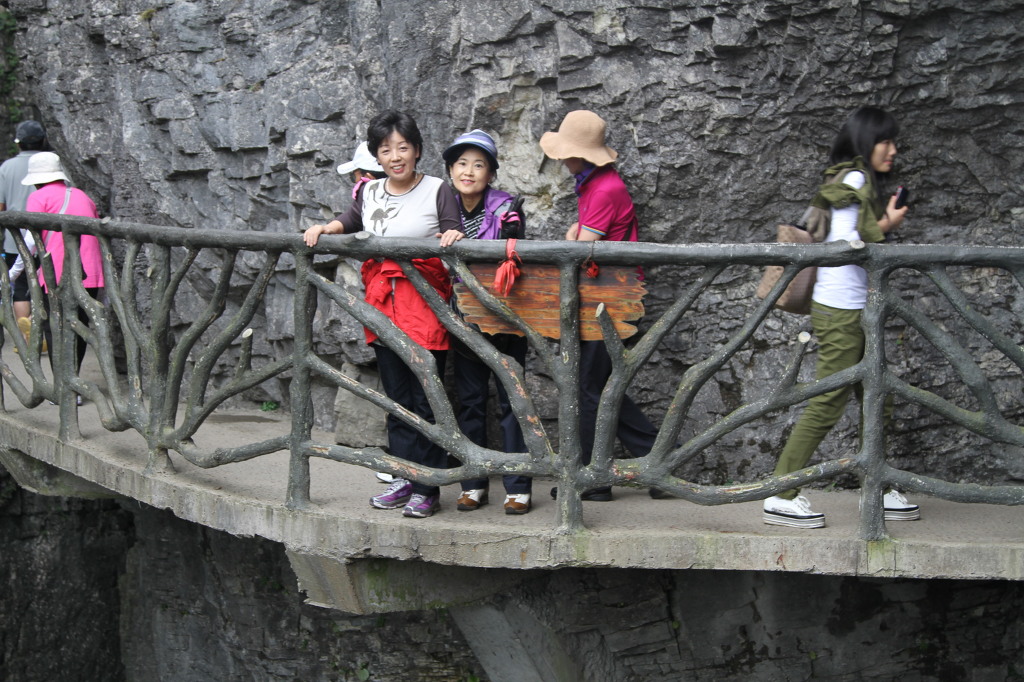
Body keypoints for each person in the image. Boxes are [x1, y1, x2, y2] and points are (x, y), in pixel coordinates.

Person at [762, 106, 918, 528]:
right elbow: (847, 243)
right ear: (867, 141)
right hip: (841, 310)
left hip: (853, 308)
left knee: (877, 397)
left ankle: (877, 486)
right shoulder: (854, 180)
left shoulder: (851, 178)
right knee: (828, 401)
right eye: (886, 141)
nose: (893, 150)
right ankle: (780, 493)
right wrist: (888, 223)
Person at [304, 110, 461, 519]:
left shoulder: (437, 189)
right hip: (383, 307)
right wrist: (325, 228)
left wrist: (453, 235)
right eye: (386, 150)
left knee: (427, 399)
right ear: (377, 156)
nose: (395, 157)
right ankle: (404, 478)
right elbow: (351, 220)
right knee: (398, 399)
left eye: (402, 148)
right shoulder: (370, 191)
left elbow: (452, 229)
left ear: (417, 150)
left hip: (424, 306)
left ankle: (428, 486)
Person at [539, 110, 663, 502]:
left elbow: (579, 248)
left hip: (609, 301)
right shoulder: (595, 184)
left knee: (591, 388)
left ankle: (594, 479)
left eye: (566, 152)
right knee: (599, 388)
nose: (562, 159)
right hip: (603, 297)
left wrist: (572, 237)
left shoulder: (604, 188)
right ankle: (658, 463)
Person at [437, 129, 533, 514]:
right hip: (463, 318)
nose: (469, 171)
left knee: (513, 402)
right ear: (450, 170)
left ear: (491, 174)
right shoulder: (441, 206)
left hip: (506, 317)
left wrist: (512, 231)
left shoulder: (506, 208)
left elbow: (515, 246)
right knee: (471, 401)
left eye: (479, 165)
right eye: (461, 163)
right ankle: (473, 483)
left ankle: (518, 486)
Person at [336, 140, 396, 485]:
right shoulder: (377, 198)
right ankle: (407, 457)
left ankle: (412, 460)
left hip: (400, 298)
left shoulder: (376, 197)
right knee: (401, 383)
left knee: (406, 385)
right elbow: (350, 220)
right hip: (386, 295)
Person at [22, 152, 104, 394]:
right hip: (90, 271)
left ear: (37, 179)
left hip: (57, 272)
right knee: (79, 326)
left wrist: (16, 270)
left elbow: (30, 240)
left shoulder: (39, 197)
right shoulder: (82, 196)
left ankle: (63, 387)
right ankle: (74, 381)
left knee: (54, 327)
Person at [0, 120, 49, 340]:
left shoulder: (6, 167)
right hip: (48, 239)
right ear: (43, 140)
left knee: (20, 286)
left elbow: (1, 205)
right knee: (47, 283)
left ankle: (26, 338)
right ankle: (44, 330)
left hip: (15, 239)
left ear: (18, 143)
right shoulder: (52, 163)